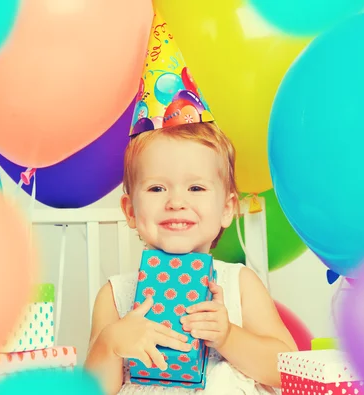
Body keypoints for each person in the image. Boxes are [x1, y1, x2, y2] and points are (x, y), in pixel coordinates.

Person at [84, 13, 297, 394]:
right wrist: (112, 343)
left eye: (196, 189)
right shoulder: (116, 295)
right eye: (156, 189)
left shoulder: (239, 283)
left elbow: (285, 369)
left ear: (228, 208)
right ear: (130, 211)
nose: (176, 202)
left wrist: (228, 336)